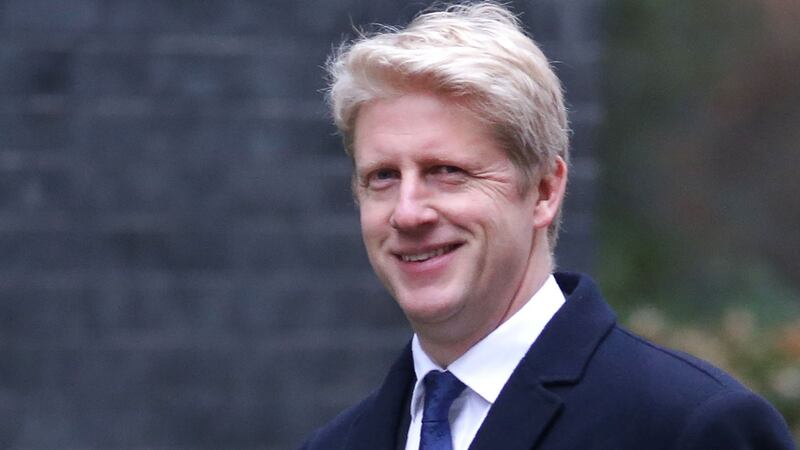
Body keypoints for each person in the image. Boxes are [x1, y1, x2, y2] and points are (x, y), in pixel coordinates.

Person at [302, 2, 796, 449]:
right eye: (383, 177)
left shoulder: (690, 428)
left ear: (544, 191)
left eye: (446, 172)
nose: (408, 213)